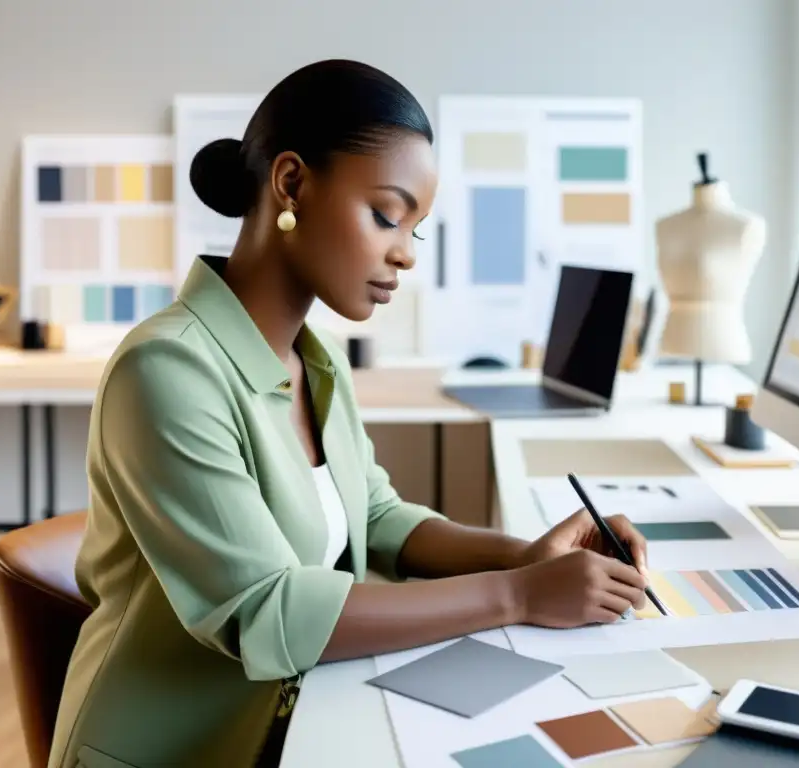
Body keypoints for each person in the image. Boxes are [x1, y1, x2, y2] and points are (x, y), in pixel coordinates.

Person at [48, 59, 651, 768]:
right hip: (178, 750)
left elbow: (375, 518)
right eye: (387, 215)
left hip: (306, 719)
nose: (403, 254)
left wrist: (524, 553)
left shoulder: (317, 358)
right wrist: (517, 594)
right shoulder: (166, 372)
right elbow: (267, 610)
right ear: (291, 183)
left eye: (414, 231)